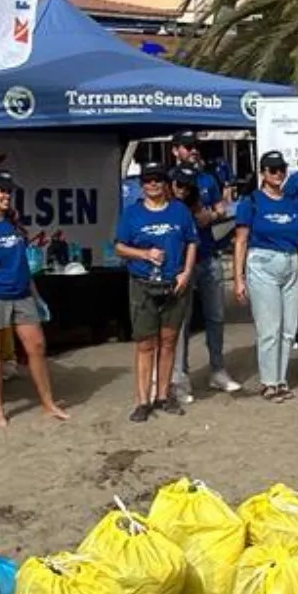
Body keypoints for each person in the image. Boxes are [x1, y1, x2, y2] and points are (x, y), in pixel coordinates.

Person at [0, 173, 65, 425]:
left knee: (37, 347)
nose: (7, 195)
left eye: (9, 191)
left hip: (22, 294)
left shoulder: (13, 222)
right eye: (1, 190)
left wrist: (37, 297)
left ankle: (48, 403)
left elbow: (22, 264)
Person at [113, 162, 198, 422]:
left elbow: (192, 242)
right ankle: (142, 401)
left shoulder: (179, 211)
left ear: (166, 183)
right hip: (143, 284)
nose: (153, 184)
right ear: (142, 185)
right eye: (148, 180)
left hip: (174, 284)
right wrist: (144, 254)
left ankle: (163, 395)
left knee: (169, 341)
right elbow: (119, 247)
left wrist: (186, 272)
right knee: (145, 344)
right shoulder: (132, 214)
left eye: (158, 180)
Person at [167, 132, 240, 399]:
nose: (193, 151)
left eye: (195, 146)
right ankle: (180, 377)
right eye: (187, 147)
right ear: (176, 150)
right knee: (182, 321)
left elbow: (221, 208)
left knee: (216, 316)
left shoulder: (208, 178)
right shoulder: (169, 180)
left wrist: (211, 214)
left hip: (209, 254)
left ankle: (218, 370)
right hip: (180, 260)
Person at [235, 151, 298, 399]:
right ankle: (269, 382)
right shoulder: (251, 202)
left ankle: (281, 378)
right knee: (269, 327)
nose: (278, 174)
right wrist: (238, 278)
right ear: (263, 173)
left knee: (289, 328)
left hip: (291, 261)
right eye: (272, 170)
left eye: (281, 169)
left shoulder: (293, 202)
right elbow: (241, 240)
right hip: (263, 262)